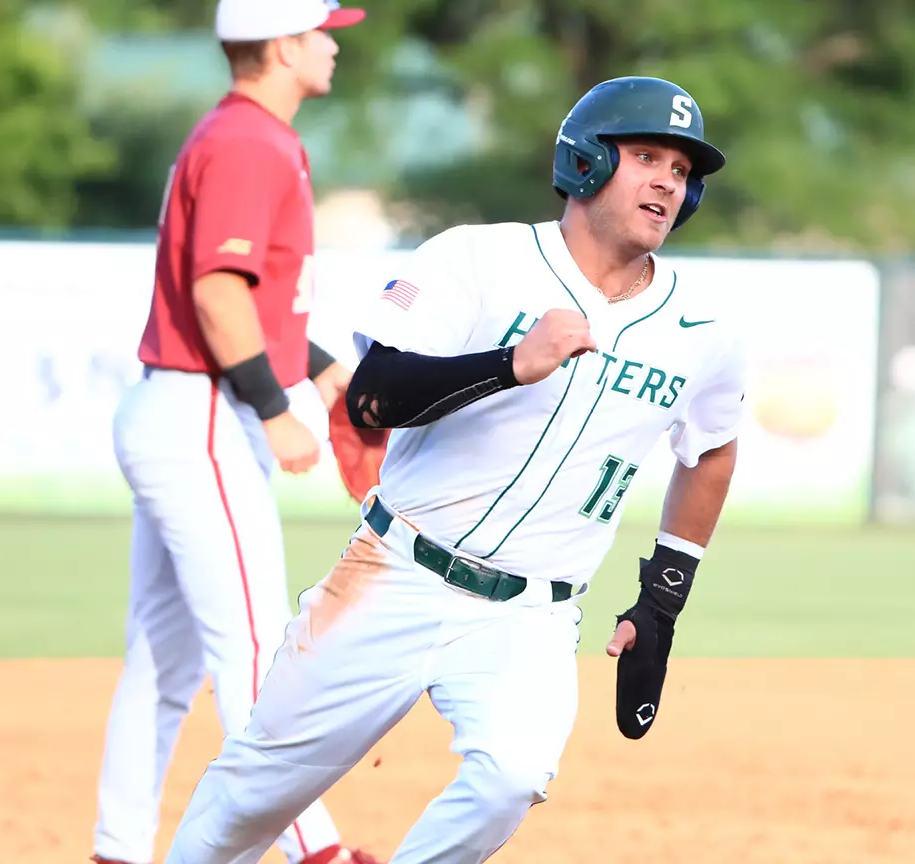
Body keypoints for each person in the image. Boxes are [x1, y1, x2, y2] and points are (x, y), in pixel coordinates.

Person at [162, 75, 747, 864]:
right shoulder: (479, 258)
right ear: (584, 163)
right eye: (646, 157)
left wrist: (664, 598)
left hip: (530, 615)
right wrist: (511, 362)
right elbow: (369, 399)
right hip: (395, 572)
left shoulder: (701, 329)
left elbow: (712, 447)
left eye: (681, 172)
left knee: (511, 776)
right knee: (248, 798)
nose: (666, 183)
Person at [90, 1, 379, 863]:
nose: (332, 42)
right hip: (205, 414)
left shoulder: (239, 134)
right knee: (254, 649)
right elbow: (217, 294)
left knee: (163, 663)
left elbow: (245, 297)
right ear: (285, 45)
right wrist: (272, 405)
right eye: (323, 30)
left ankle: (118, 848)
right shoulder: (252, 141)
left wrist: (320, 368)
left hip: (181, 407)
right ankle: (312, 852)